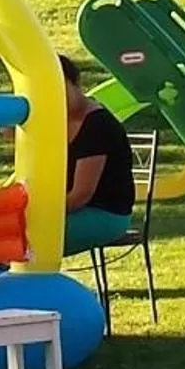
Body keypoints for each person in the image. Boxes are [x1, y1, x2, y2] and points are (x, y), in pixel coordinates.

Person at [61, 52, 137, 253]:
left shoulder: (97, 125)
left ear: (76, 83)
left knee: (28, 239)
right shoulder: (54, 121)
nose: (56, 98)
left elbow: (81, 195)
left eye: (61, 89)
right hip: (69, 210)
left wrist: (41, 215)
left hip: (106, 214)